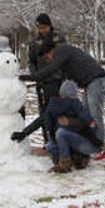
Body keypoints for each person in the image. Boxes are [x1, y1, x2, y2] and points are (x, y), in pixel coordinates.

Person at [20, 40, 105, 145]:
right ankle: (91, 141)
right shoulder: (64, 58)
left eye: (47, 58)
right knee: (86, 113)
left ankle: (99, 144)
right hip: (89, 84)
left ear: (51, 50)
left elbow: (50, 70)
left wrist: (31, 77)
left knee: (94, 113)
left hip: (96, 80)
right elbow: (59, 76)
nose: (48, 61)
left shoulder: (63, 51)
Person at [11, 80, 102, 173]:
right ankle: (73, 158)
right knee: (51, 144)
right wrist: (24, 133)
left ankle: (67, 162)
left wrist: (70, 122)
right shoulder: (68, 105)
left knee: (60, 135)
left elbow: (87, 122)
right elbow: (91, 124)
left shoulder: (62, 105)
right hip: (80, 144)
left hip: (78, 143)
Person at [27, 13, 67, 141]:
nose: (42, 30)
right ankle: (47, 139)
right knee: (44, 113)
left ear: (50, 25)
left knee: (60, 111)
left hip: (59, 81)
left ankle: (61, 138)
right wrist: (35, 75)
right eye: (40, 28)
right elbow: (31, 61)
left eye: (45, 27)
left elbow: (66, 57)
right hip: (43, 82)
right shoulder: (34, 42)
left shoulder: (59, 37)